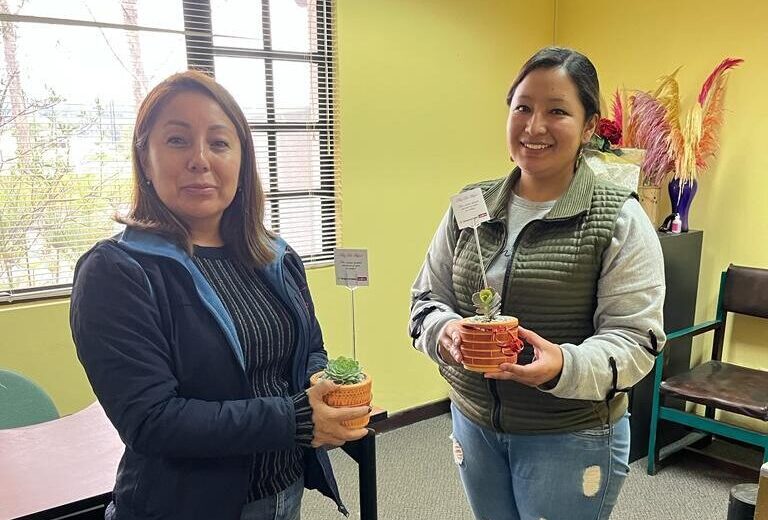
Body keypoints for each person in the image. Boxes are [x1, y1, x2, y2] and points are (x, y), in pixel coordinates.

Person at [70, 70, 369, 520]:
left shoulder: (275, 255)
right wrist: (297, 419)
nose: (200, 159)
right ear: (144, 158)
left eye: (219, 142)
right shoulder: (116, 272)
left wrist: (320, 385)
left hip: (284, 491)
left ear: (242, 160)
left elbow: (310, 349)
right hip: (183, 505)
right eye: (177, 140)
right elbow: (152, 420)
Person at [408, 47, 666, 520]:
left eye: (557, 111)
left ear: (589, 127)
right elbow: (426, 298)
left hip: (569, 435)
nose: (533, 126)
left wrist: (561, 365)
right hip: (474, 423)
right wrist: (444, 332)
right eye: (522, 107)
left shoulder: (619, 218)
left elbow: (636, 342)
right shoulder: (469, 206)